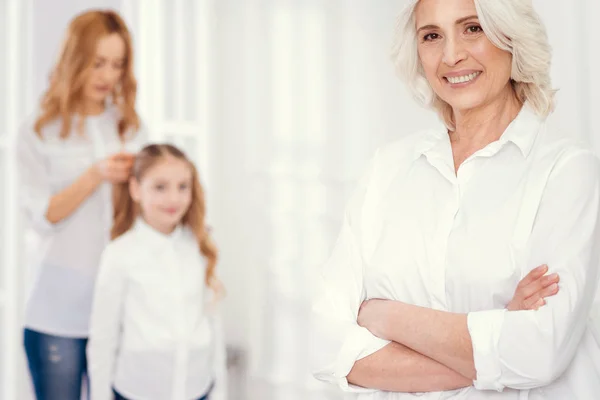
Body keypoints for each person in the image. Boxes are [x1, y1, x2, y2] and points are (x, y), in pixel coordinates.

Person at [311, 0, 600, 398]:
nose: (451, 55)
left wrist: (385, 315)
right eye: (431, 36)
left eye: (473, 29)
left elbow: (541, 353)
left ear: (511, 36)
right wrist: (495, 331)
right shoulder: (388, 168)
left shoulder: (566, 170)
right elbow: (325, 345)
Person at [16, 9, 148, 400]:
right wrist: (95, 175)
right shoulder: (38, 131)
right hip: (58, 311)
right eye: (98, 63)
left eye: (118, 65)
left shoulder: (130, 127)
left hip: (125, 308)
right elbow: (43, 215)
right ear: (75, 60)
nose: (108, 76)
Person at [87, 144, 227, 400]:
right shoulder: (120, 254)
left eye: (182, 186)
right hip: (136, 392)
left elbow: (213, 325)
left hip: (197, 390)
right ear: (136, 189)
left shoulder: (199, 247)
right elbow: (103, 339)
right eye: (160, 187)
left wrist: (220, 393)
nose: (173, 198)